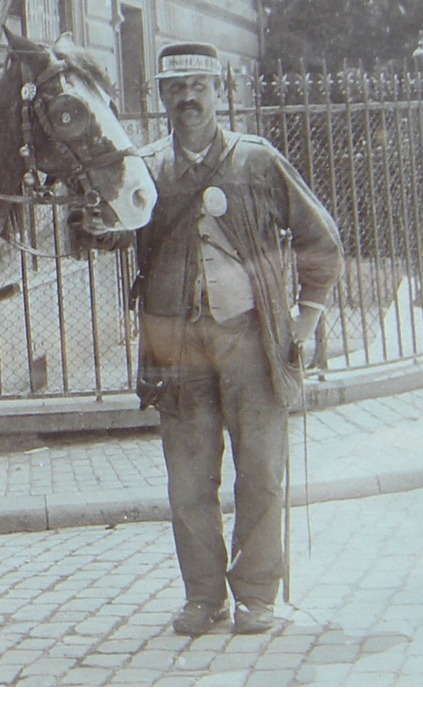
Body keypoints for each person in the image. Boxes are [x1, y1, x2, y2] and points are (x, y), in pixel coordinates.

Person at [97, 43, 344, 636]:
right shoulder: (147, 171)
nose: (188, 99)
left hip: (252, 342)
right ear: (160, 98)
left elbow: (323, 243)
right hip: (176, 350)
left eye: (199, 86)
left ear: (219, 92)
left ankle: (257, 594)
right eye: (176, 90)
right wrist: (92, 219)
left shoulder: (256, 161)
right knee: (188, 478)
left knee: (260, 471)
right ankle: (203, 597)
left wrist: (304, 325)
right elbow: (101, 235)